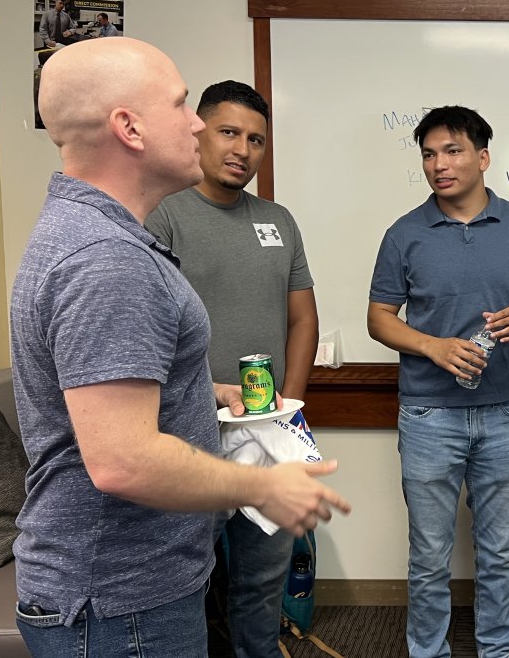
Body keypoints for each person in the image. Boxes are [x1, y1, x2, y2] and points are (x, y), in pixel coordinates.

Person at [10, 37, 351, 658]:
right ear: (130, 127)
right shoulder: (108, 260)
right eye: (181, 105)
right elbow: (123, 461)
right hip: (118, 602)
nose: (194, 124)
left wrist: (205, 387)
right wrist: (263, 488)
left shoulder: (98, 236)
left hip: (125, 591)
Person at [367, 105, 509, 658]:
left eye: (451, 151)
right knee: (429, 553)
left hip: (502, 411)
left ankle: (495, 650)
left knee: (497, 550)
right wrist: (434, 346)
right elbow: (379, 317)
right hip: (429, 413)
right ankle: (428, 652)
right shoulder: (404, 234)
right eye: (428, 154)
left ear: (482, 156)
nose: (438, 164)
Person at [146, 79, 318, 658]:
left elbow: (302, 320)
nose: (242, 149)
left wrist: (285, 412)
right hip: (191, 433)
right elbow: (149, 331)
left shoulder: (279, 220)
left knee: (263, 578)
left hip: (268, 431)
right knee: (185, 583)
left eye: (256, 140)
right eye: (228, 132)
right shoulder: (162, 215)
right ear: (198, 130)